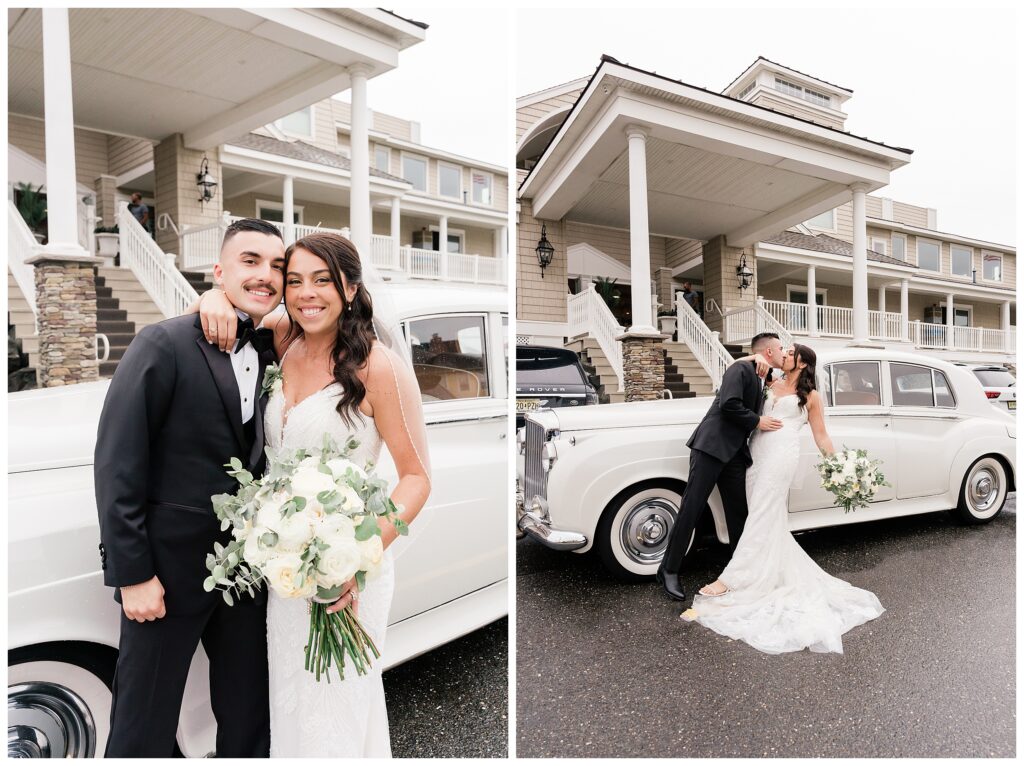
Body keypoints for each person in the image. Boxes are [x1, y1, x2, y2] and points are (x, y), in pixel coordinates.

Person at [196, 232, 432, 757]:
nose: (307, 294)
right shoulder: (285, 339)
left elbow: (416, 478)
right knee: (291, 695)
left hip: (350, 566)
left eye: (322, 280)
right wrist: (213, 296)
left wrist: (357, 557)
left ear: (349, 287)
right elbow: (229, 306)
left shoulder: (378, 366)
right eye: (295, 280)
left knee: (337, 703)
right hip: (286, 569)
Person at [95, 218, 285, 756]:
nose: (265, 276)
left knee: (249, 717)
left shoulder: (277, 350)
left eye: (276, 266)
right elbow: (118, 461)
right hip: (165, 574)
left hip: (248, 572)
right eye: (251, 261)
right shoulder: (164, 342)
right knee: (143, 724)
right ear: (219, 271)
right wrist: (133, 575)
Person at [684, 344, 885, 654]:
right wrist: (752, 357)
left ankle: (732, 580)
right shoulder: (770, 382)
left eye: (790, 352)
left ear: (802, 363)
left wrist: (840, 468)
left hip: (782, 456)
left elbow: (821, 436)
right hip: (758, 452)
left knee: (764, 511)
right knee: (759, 515)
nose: (784, 354)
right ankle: (763, 570)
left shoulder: (811, 397)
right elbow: (735, 375)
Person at [656, 332, 783, 601]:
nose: (784, 353)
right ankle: (668, 570)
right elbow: (729, 404)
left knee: (738, 513)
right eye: (781, 349)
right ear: (768, 352)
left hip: (736, 454)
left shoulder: (765, 376)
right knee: (692, 508)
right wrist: (757, 422)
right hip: (711, 448)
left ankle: (739, 571)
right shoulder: (741, 368)